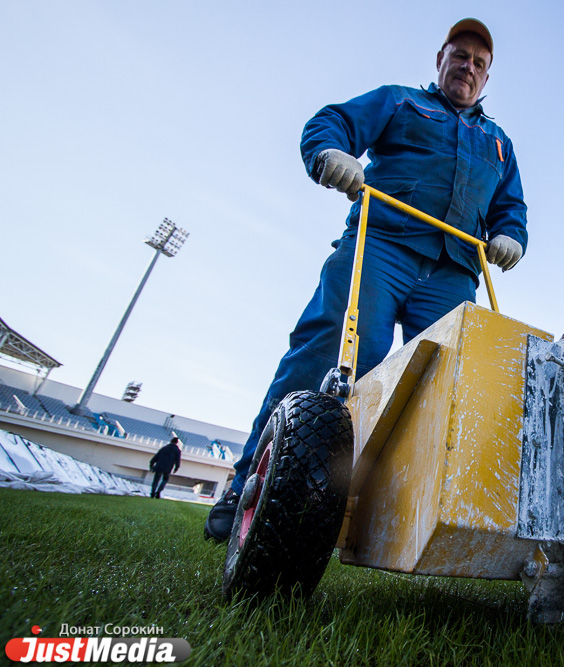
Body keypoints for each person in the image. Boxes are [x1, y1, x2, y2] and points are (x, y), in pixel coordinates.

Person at [204, 18, 528, 542]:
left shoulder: (498, 144)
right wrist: (329, 153)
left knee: (448, 386)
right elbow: (329, 121)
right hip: (380, 247)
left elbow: (511, 208)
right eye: (460, 56)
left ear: (486, 80)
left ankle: (406, 515)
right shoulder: (401, 102)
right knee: (340, 353)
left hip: (451, 271)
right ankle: (250, 487)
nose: (468, 67)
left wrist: (512, 235)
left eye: (479, 63)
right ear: (440, 59)